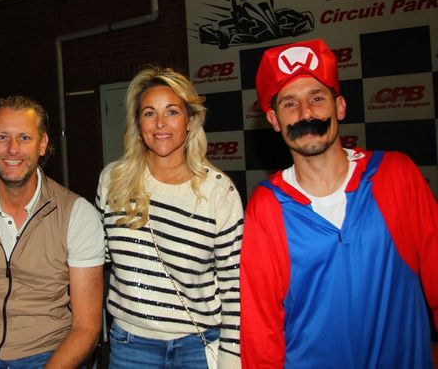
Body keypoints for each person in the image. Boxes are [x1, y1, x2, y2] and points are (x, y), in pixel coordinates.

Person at [240, 39, 438, 368]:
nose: (306, 113)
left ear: (340, 107)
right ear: (274, 119)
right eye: (290, 103)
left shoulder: (395, 175)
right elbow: (260, 328)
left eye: (317, 98)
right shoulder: (267, 205)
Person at [95, 66, 243, 368]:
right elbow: (97, 257)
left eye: (172, 111)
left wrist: (231, 356)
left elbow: (234, 284)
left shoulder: (219, 191)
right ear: (138, 123)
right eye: (149, 113)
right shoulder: (113, 181)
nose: (160, 123)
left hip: (198, 346)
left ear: (190, 121)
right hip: (131, 346)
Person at [0, 95, 104, 368]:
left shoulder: (77, 214)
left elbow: (86, 327)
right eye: (2, 137)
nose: (13, 149)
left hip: (48, 354)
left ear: (43, 144)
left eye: (24, 138)